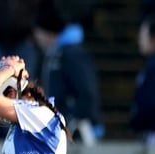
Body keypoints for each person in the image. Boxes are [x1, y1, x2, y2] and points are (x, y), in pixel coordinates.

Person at [33, 0, 103, 146]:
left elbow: (87, 91)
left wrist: (73, 117)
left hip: (78, 130)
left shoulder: (70, 54)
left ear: (47, 32)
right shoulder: (56, 54)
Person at [129, 14, 155, 149]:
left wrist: (138, 121)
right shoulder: (151, 65)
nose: (140, 40)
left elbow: (153, 101)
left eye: (143, 36)